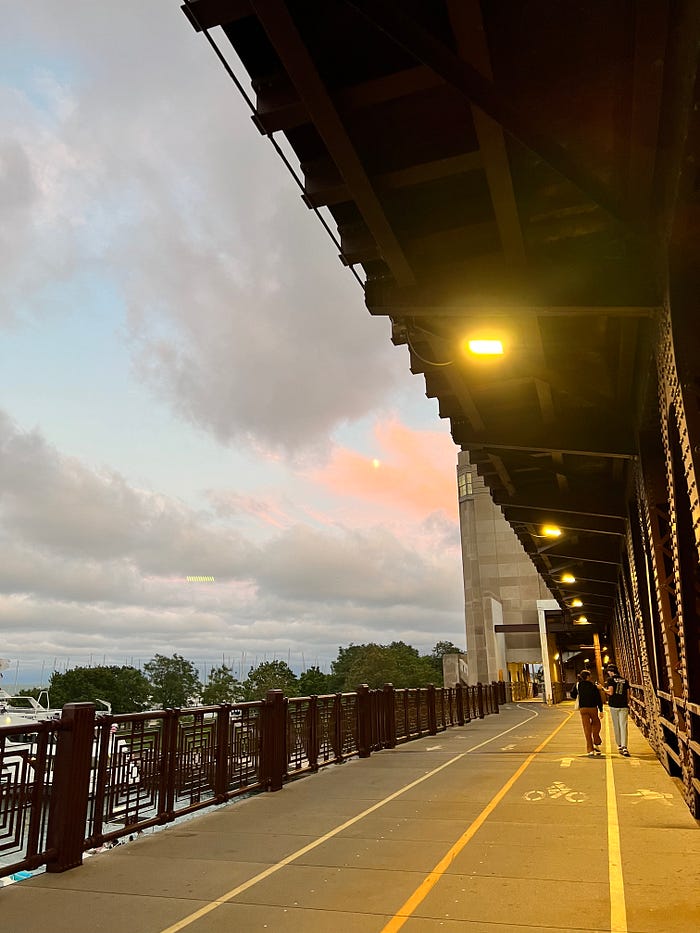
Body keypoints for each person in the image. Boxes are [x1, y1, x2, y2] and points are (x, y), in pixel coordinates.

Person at [570, 669, 603, 756]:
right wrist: (601, 710)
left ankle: (590, 750)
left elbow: (572, 695)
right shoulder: (593, 686)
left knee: (586, 728)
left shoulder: (578, 685)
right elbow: (598, 698)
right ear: (588, 677)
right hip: (593, 708)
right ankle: (596, 738)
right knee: (596, 723)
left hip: (583, 709)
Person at [605, 663, 630, 756]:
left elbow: (610, 692)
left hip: (614, 705)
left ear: (611, 672)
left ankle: (619, 745)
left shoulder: (610, 680)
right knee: (623, 726)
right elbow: (628, 695)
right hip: (623, 705)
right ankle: (624, 747)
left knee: (616, 725)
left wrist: (602, 689)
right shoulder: (624, 680)